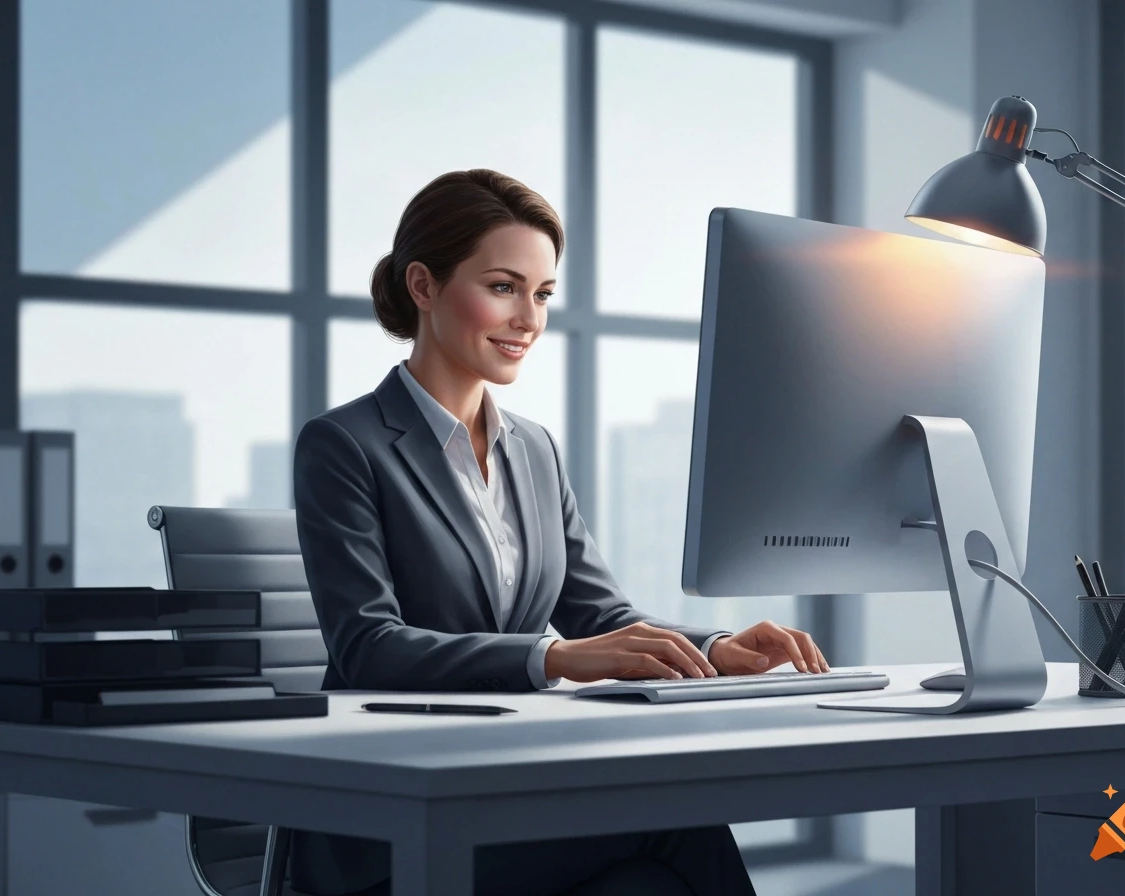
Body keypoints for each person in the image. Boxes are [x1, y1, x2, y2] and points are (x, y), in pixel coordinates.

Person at [289, 169, 830, 896]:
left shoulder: (533, 448)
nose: (529, 319)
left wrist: (714, 648)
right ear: (423, 286)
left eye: (542, 294)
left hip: (501, 785)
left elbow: (601, 617)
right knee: (679, 824)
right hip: (390, 820)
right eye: (505, 287)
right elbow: (368, 647)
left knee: (648, 884)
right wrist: (555, 658)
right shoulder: (344, 444)